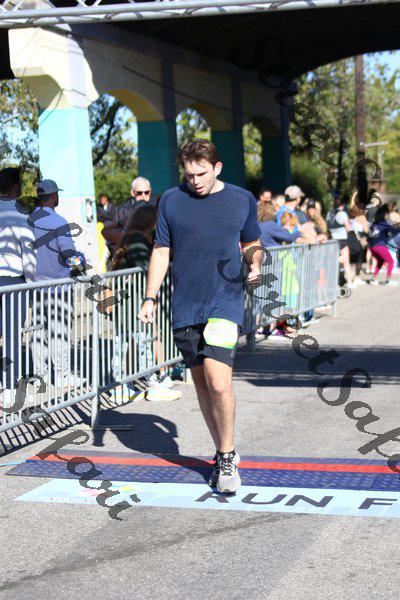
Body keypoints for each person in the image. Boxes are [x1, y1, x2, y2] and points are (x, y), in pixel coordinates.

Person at [138, 139, 262, 495]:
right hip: (185, 305)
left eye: (202, 173)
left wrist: (254, 265)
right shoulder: (170, 200)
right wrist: (150, 297)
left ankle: (227, 455)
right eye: (189, 174)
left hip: (225, 300)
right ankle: (221, 450)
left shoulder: (241, 199)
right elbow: (161, 251)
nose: (195, 181)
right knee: (203, 385)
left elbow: (252, 243)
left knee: (218, 381)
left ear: (217, 168)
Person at [111, 205, 181, 401]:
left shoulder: (130, 236)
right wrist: (151, 296)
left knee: (130, 343)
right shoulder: (137, 239)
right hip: (133, 298)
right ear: (150, 221)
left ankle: (124, 386)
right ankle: (149, 385)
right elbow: (144, 267)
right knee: (141, 341)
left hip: (128, 298)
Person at [31, 179, 86, 387]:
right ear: (54, 196)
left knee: (38, 332)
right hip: (58, 287)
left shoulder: (29, 220)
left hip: (34, 287)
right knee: (59, 332)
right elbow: (69, 255)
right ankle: (62, 376)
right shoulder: (59, 222)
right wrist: (82, 261)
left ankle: (40, 376)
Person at [0, 168, 36, 408]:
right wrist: (33, 284)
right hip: (13, 281)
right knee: (12, 336)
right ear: (16, 187)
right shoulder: (21, 215)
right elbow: (29, 256)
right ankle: (10, 388)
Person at [101, 177, 152, 249]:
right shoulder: (123, 211)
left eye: (146, 192)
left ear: (150, 192)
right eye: (139, 193)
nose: (143, 196)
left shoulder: (154, 209)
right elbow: (110, 237)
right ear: (133, 193)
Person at [368, 204, 400, 286]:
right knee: (391, 261)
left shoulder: (374, 224)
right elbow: (394, 230)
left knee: (380, 261)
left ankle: (373, 279)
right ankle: (388, 281)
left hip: (372, 246)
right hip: (380, 246)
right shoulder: (385, 223)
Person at [326, 197, 353, 287]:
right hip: (342, 240)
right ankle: (349, 282)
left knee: (336, 262)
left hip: (332, 239)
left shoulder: (329, 213)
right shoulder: (342, 214)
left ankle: (335, 282)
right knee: (346, 261)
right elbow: (348, 228)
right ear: (341, 206)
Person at [348, 205, 369, 285]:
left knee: (348, 259)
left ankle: (349, 275)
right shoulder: (362, 218)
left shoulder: (349, 219)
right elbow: (366, 230)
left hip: (349, 239)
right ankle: (356, 276)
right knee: (359, 258)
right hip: (359, 239)